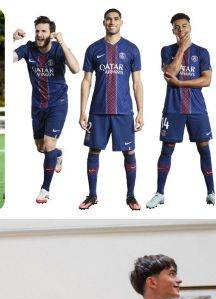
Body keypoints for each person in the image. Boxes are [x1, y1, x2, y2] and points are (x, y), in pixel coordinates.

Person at [146, 12, 214, 210]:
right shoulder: (166, 50)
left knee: (204, 148)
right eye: (177, 27)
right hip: (173, 108)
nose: (181, 30)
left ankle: (211, 192)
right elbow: (170, 73)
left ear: (190, 27)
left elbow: (206, 80)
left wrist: (181, 83)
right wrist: (183, 49)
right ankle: (160, 193)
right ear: (173, 30)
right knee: (167, 149)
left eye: (184, 26)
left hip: (197, 108)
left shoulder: (202, 52)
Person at [78, 8, 144, 210]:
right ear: (103, 22)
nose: (112, 22)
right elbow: (86, 81)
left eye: (115, 19)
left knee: (129, 152)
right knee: (94, 150)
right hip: (98, 111)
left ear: (121, 22)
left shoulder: (132, 49)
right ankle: (92, 195)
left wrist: (141, 111)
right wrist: (82, 111)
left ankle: (131, 196)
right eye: (108, 19)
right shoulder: (93, 49)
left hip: (123, 111)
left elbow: (137, 83)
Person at [13, 16, 80, 203]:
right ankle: (58, 154)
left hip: (58, 103)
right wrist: (11, 40)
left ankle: (45, 189)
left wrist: (63, 43)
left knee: (49, 144)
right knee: (41, 148)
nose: (39, 34)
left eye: (43, 31)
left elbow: (76, 68)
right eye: (37, 31)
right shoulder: (28, 48)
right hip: (37, 105)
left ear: (50, 33)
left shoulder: (59, 50)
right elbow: (9, 59)